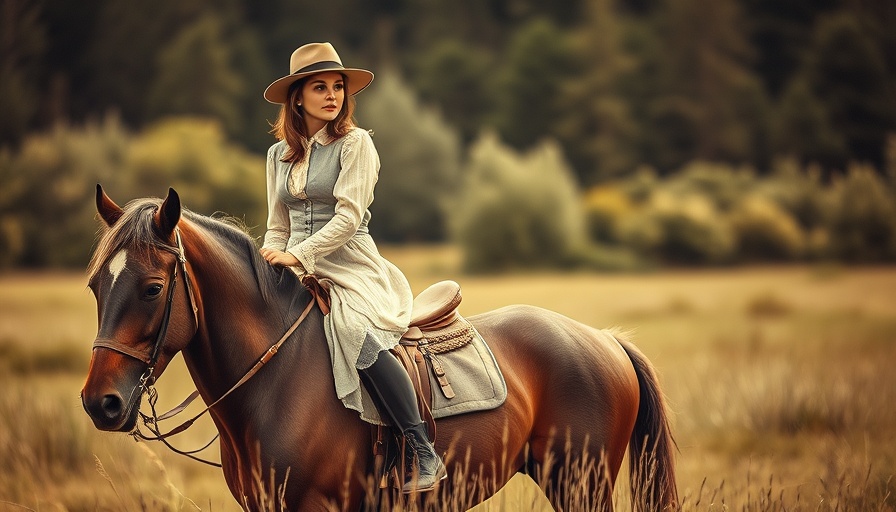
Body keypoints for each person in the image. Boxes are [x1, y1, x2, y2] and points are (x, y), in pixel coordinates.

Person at [259, 42, 446, 493]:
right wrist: (269, 257)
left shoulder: (356, 144)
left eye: (338, 87)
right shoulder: (277, 157)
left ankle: (422, 449)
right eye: (319, 87)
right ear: (297, 98)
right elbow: (276, 225)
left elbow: (347, 218)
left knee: (350, 330)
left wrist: (299, 255)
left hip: (352, 265)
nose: (332, 95)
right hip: (296, 266)